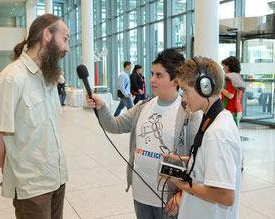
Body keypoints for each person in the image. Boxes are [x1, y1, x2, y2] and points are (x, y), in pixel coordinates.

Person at [86, 49, 202, 219]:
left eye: (159, 75)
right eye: (152, 73)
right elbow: (114, 125)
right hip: (140, 192)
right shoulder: (142, 106)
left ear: (175, 80)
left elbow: (197, 159)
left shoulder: (188, 112)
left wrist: (181, 194)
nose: (152, 79)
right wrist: (102, 108)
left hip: (169, 198)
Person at [0, 14, 70, 219]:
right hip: (32, 188)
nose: (66, 48)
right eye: (64, 39)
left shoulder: (47, 78)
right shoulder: (12, 78)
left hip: (57, 179)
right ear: (47, 34)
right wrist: (11, 171)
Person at [165, 56, 242, 219]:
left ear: (204, 87)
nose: (183, 99)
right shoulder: (216, 118)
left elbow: (225, 196)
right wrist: (182, 160)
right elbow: (207, 160)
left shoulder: (218, 133)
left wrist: (182, 185)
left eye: (185, 91)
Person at [221, 56, 245, 126]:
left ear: (228, 66)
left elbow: (230, 95)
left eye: (224, 66)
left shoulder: (230, 78)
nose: (223, 68)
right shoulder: (237, 77)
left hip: (231, 110)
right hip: (237, 109)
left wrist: (220, 88)